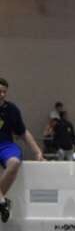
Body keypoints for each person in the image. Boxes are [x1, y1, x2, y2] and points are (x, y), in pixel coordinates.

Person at [0, 77, 44, 223]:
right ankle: (2, 201)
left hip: (5, 145)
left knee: (14, 162)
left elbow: (23, 132)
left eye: (4, 92)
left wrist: (38, 152)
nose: (2, 94)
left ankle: (1, 200)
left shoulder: (12, 110)